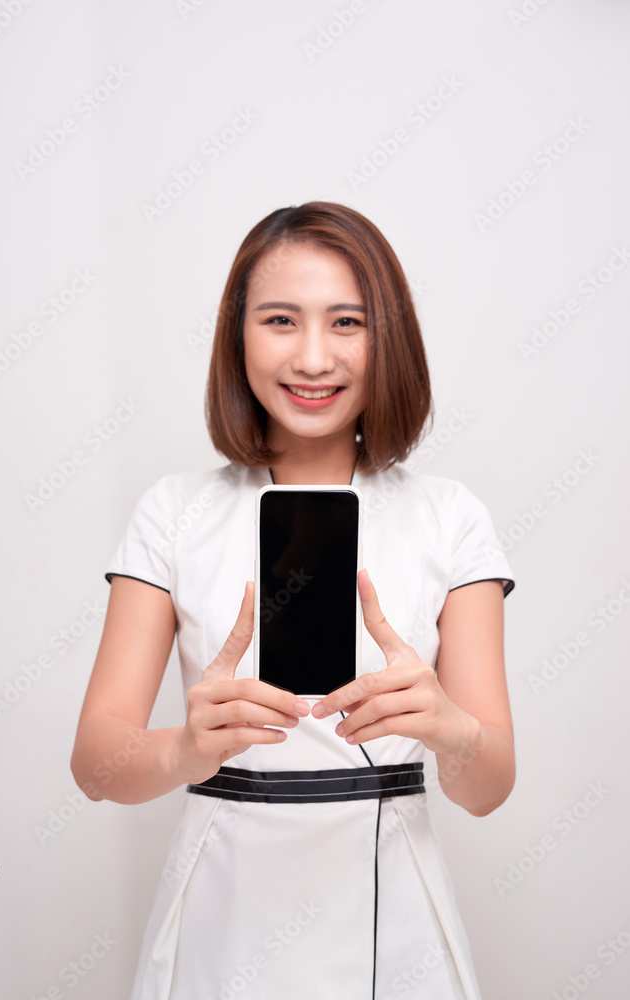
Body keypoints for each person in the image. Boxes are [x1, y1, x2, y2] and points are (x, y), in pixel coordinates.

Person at [70, 201, 516, 1000]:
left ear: (389, 338)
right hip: (222, 905)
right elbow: (96, 765)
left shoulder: (450, 516)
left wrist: (448, 727)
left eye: (347, 322)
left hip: (396, 914)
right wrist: (186, 749)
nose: (313, 357)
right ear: (236, 336)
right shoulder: (173, 513)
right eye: (280, 319)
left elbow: (488, 787)